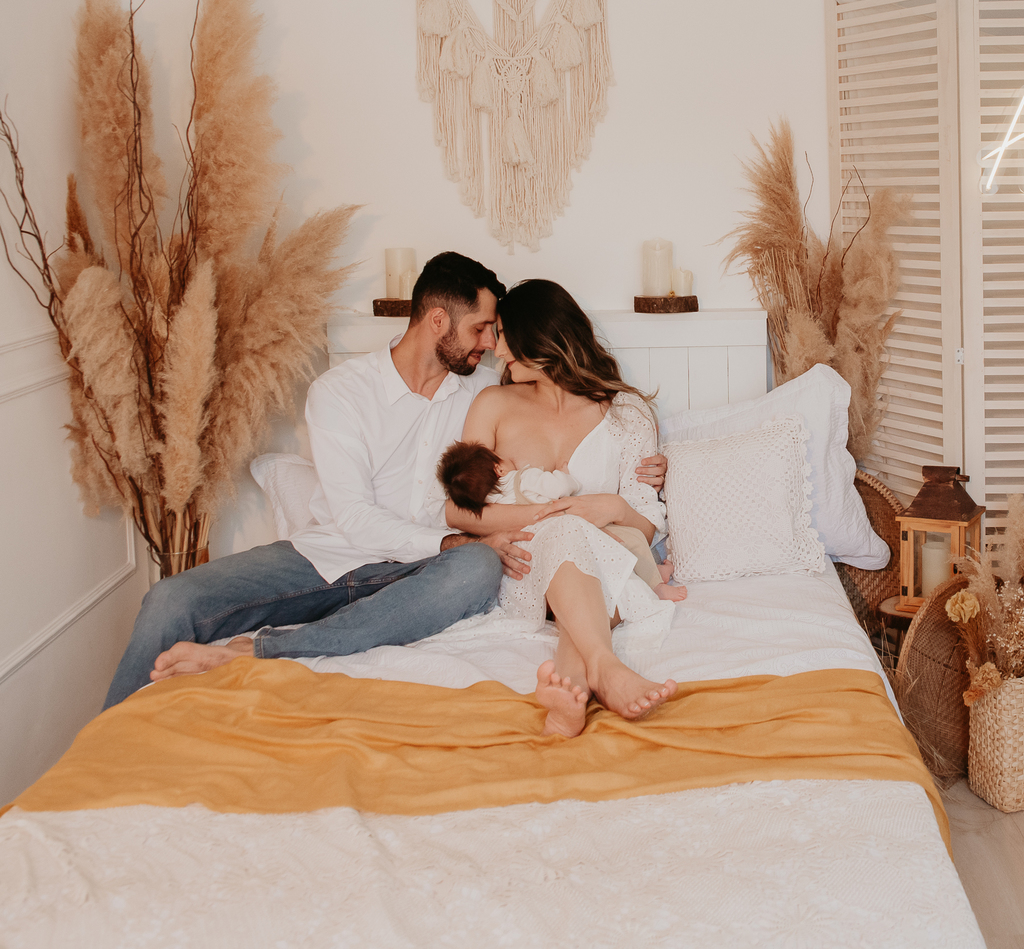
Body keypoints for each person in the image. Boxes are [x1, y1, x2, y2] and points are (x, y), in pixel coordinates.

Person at [104, 252, 666, 709]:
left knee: (477, 566)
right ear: (438, 321)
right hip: (333, 554)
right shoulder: (342, 392)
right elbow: (353, 518)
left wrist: (648, 475)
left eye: (495, 333)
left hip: (434, 572)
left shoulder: (488, 391)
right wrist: (453, 540)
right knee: (170, 598)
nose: (490, 345)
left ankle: (260, 650)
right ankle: (103, 754)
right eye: (480, 329)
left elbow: (557, 421)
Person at [448, 279, 679, 739]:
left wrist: (612, 505)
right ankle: (606, 668)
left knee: (580, 548)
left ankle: (573, 688)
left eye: (504, 334)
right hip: (527, 566)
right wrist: (556, 515)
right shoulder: (493, 404)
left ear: (539, 334)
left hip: (608, 561)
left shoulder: (626, 413)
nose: (496, 349)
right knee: (565, 533)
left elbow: (646, 529)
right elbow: (459, 513)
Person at [436, 440, 687, 602]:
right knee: (630, 539)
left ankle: (649, 575)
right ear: (498, 469)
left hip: (546, 548)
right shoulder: (523, 479)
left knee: (605, 562)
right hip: (574, 527)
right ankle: (656, 584)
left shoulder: (494, 505)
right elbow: (559, 487)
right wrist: (565, 474)